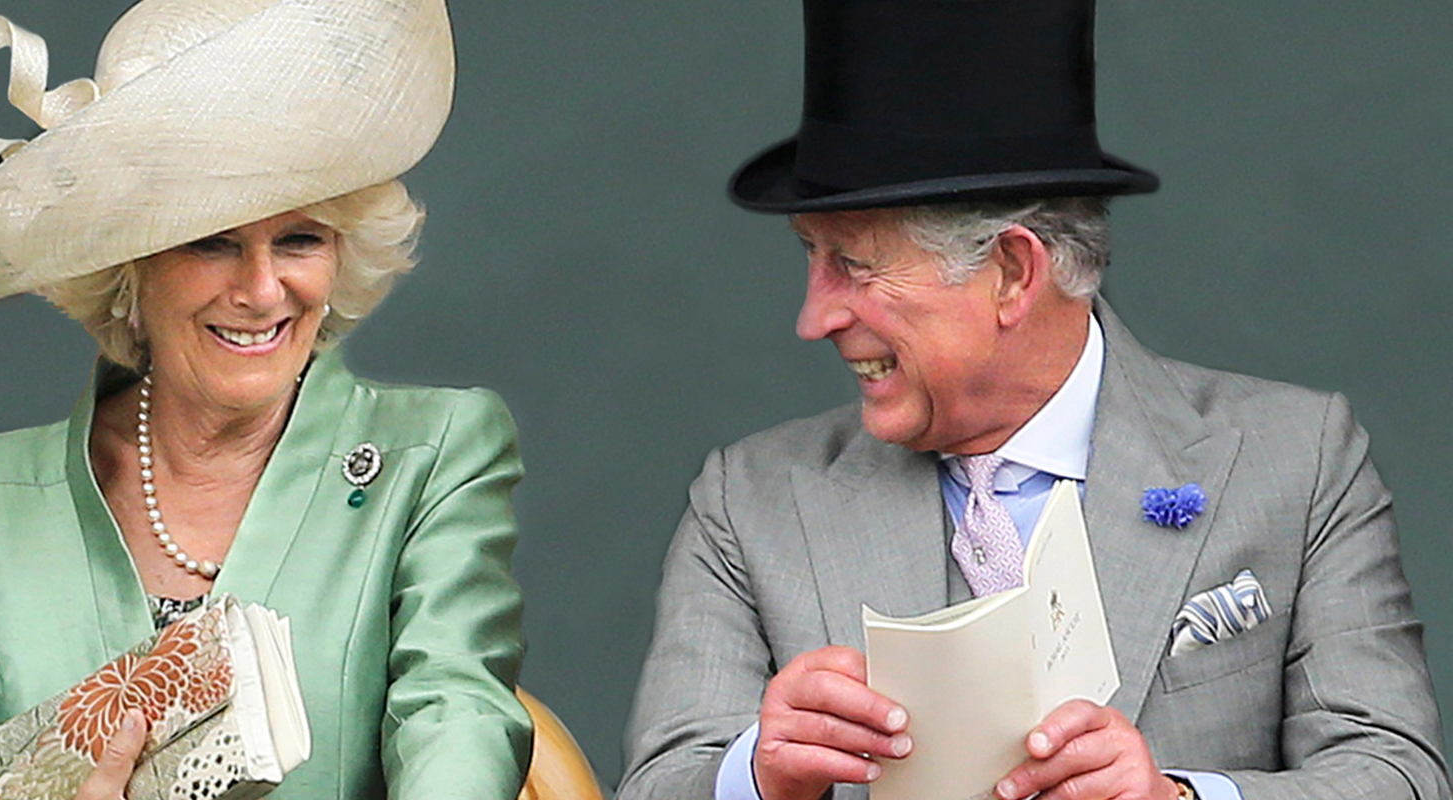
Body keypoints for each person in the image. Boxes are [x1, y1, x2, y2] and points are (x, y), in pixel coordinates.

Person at [618, 2, 1448, 800]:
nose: (815, 317)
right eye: (810, 255)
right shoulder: (747, 503)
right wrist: (760, 779)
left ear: (1014, 271)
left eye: (857, 266)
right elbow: (660, 785)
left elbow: (1397, 776)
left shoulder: (1298, 464)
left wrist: (1178, 798)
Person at [0, 1, 532, 798]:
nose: (260, 287)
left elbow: (457, 716)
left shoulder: (436, 454)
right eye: (210, 242)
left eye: (300, 239)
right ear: (127, 268)